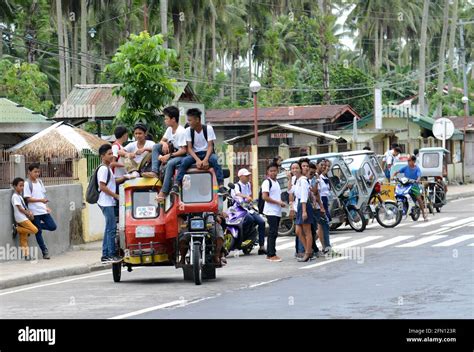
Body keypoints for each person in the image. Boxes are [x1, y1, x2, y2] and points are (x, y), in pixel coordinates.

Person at [171, 108, 226, 195]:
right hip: (195, 154)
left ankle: (221, 186)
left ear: (197, 120)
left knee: (216, 160)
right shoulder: (188, 130)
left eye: (190, 120)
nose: (188, 122)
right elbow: (189, 148)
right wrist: (198, 160)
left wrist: (205, 160)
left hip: (207, 153)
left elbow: (210, 146)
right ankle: (177, 184)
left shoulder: (208, 129)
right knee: (184, 161)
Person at [143, 106, 187, 201]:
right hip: (172, 152)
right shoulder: (169, 129)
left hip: (181, 155)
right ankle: (154, 171)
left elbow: (184, 150)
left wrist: (169, 156)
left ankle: (164, 192)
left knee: (170, 164)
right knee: (156, 147)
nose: (165, 121)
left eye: (166, 118)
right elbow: (161, 141)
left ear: (173, 119)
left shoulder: (181, 132)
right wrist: (164, 143)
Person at [97, 144, 127, 264]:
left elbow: (113, 181)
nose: (112, 156)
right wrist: (116, 196)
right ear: (102, 156)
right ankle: (110, 254)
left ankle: (105, 255)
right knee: (111, 228)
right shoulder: (103, 169)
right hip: (106, 202)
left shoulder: (107, 168)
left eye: (112, 153)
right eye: (109, 154)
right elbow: (102, 186)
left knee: (108, 228)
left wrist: (126, 177)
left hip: (108, 202)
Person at [23, 163, 56, 259]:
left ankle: (34, 227)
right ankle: (44, 251)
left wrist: (46, 206)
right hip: (34, 212)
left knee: (52, 226)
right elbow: (28, 199)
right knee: (38, 233)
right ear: (29, 172)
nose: (37, 174)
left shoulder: (40, 182)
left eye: (38, 172)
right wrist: (41, 201)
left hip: (43, 210)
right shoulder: (27, 184)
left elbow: (43, 196)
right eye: (35, 172)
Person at [231, 168, 267, 255]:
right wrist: (245, 197)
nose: (248, 177)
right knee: (249, 219)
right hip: (239, 209)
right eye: (246, 176)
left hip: (248, 208)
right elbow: (236, 195)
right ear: (240, 177)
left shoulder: (248, 185)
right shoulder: (236, 186)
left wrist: (249, 200)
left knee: (261, 222)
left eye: (248, 176)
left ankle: (261, 247)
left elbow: (249, 197)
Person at [262, 163, 286, 262]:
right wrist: (278, 202)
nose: (273, 173)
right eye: (271, 171)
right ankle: (271, 254)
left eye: (275, 171)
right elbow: (265, 197)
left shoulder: (276, 182)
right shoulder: (267, 182)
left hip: (277, 211)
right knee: (273, 232)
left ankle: (270, 254)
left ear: (278, 171)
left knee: (274, 232)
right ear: (268, 172)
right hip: (270, 211)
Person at [392, 155, 428, 221]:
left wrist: (417, 180)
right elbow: (397, 172)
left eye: (409, 160)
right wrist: (393, 176)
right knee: (398, 194)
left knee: (419, 199)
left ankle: (424, 214)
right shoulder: (405, 167)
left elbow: (419, 176)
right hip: (405, 185)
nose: (408, 162)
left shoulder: (417, 168)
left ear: (413, 161)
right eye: (408, 161)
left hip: (414, 185)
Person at [11, 177, 38, 260]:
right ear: (15, 186)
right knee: (35, 230)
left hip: (23, 218)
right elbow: (20, 209)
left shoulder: (19, 196)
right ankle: (17, 229)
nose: (22, 187)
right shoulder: (15, 196)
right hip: (21, 218)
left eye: (23, 186)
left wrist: (29, 213)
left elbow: (23, 207)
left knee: (23, 238)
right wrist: (28, 214)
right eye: (20, 186)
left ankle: (26, 255)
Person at [293, 160, 314, 262]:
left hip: (304, 205)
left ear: (300, 169)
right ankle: (308, 251)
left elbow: (304, 196)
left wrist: (304, 211)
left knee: (307, 231)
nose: (294, 170)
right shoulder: (296, 180)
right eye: (293, 168)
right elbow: (290, 192)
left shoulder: (303, 180)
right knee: (298, 231)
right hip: (299, 205)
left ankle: (307, 253)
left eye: (296, 168)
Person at [318, 159, 332, 254]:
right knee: (322, 225)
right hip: (320, 201)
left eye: (327, 166)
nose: (325, 167)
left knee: (323, 225)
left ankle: (324, 246)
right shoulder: (317, 177)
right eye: (323, 165)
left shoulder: (324, 177)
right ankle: (325, 247)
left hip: (325, 201)